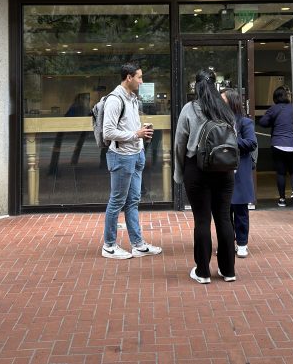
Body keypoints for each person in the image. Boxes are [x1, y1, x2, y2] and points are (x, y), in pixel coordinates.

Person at [174, 69, 237, 284]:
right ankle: (228, 270)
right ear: (215, 86)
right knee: (224, 218)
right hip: (225, 170)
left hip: (197, 169)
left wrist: (179, 172)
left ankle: (202, 272)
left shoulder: (190, 109)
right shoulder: (225, 109)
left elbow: (180, 143)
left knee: (202, 220)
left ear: (197, 87)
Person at [101, 62, 162, 260]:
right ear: (129, 77)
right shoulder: (115, 99)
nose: (141, 81)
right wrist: (136, 134)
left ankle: (137, 244)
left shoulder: (133, 99)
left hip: (136, 155)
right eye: (139, 77)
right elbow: (108, 132)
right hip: (121, 157)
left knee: (133, 201)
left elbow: (128, 128)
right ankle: (109, 245)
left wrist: (142, 135)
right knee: (117, 201)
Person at [221, 88, 257, 258]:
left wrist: (230, 141)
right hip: (222, 169)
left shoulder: (244, 122)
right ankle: (227, 243)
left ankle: (242, 243)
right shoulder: (217, 120)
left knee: (240, 209)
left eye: (223, 99)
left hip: (240, 169)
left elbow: (251, 143)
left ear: (232, 101)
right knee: (224, 210)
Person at [258, 85, 293, 207]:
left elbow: (263, 122)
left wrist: (272, 120)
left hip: (278, 145)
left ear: (275, 97)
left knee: (281, 172)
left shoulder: (274, 109)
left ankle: (282, 199)